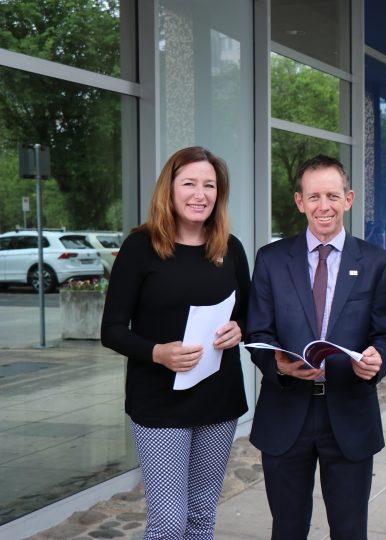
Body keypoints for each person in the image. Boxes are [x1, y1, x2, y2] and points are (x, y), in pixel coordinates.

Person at [101, 146, 250, 539]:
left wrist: (239, 330)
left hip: (219, 400)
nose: (200, 194)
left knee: (201, 516)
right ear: (169, 189)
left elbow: (249, 316)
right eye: (189, 183)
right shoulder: (140, 247)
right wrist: (157, 352)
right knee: (168, 523)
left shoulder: (230, 248)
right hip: (160, 403)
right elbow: (112, 328)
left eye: (209, 185)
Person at [246, 154, 386, 540]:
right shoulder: (271, 259)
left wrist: (376, 361)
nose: (323, 206)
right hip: (286, 412)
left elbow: (385, 334)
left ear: (348, 199)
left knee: (349, 531)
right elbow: (258, 331)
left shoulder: (377, 262)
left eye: (332, 195)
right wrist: (277, 364)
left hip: (349, 412)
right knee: (287, 529)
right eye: (313, 197)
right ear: (300, 202)